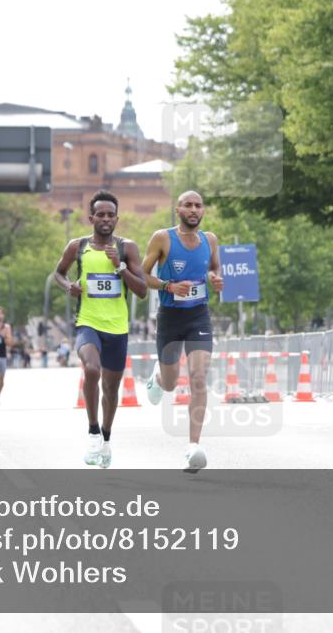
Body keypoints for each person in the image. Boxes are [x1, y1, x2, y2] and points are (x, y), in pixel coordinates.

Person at [53, 190, 147, 468]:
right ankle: (93, 430)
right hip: (88, 322)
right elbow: (58, 272)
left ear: (117, 218)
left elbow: (141, 290)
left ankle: (106, 437)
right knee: (92, 369)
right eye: (100, 215)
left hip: (117, 327)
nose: (105, 219)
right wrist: (69, 286)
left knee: (111, 387)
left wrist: (119, 267)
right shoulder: (77, 246)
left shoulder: (127, 248)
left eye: (110, 215)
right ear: (91, 217)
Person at [141, 190, 224, 472]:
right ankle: (158, 376)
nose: (193, 209)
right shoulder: (163, 238)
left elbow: (214, 268)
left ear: (203, 211)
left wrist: (215, 279)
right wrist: (167, 286)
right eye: (187, 205)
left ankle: (193, 447)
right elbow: (142, 274)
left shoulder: (210, 240)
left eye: (198, 205)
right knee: (171, 383)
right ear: (178, 210)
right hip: (170, 317)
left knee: (199, 378)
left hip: (198, 316)